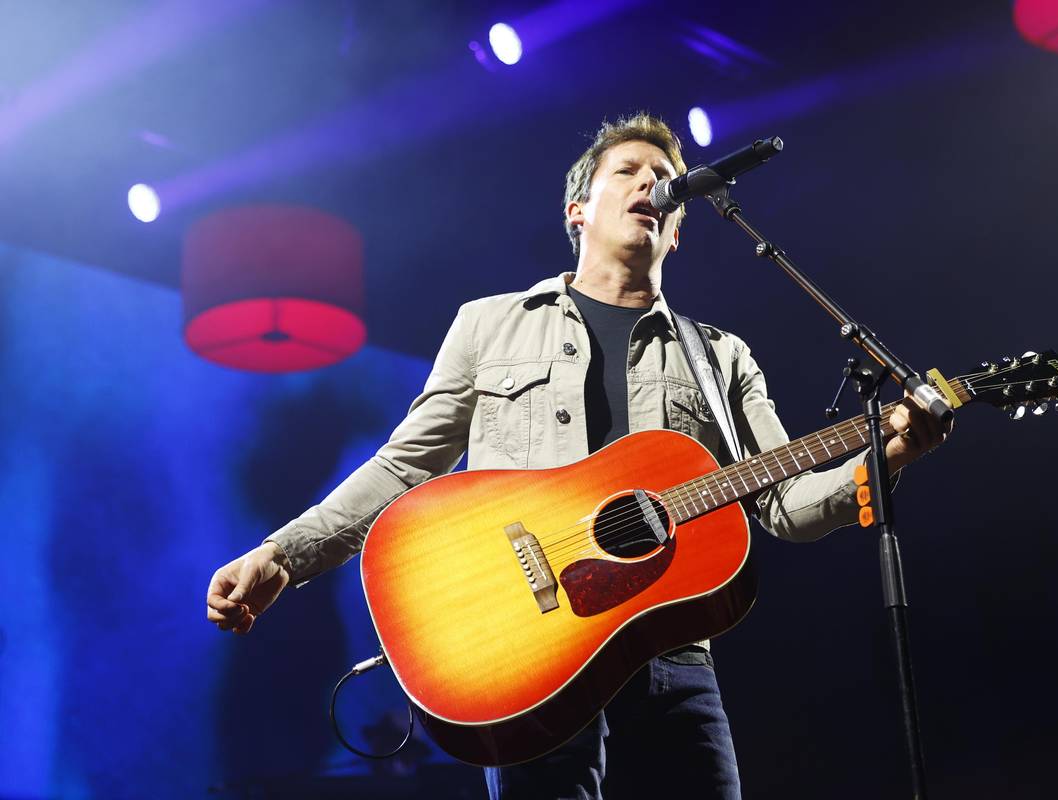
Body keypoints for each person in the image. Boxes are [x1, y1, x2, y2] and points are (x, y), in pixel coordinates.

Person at [206, 113, 949, 799]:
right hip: (531, 651)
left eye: (663, 177)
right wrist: (284, 556)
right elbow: (404, 466)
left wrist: (889, 455)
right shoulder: (489, 325)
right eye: (627, 171)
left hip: (672, 661)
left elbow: (785, 504)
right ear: (578, 211)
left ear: (678, 231)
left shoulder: (721, 356)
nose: (649, 183)